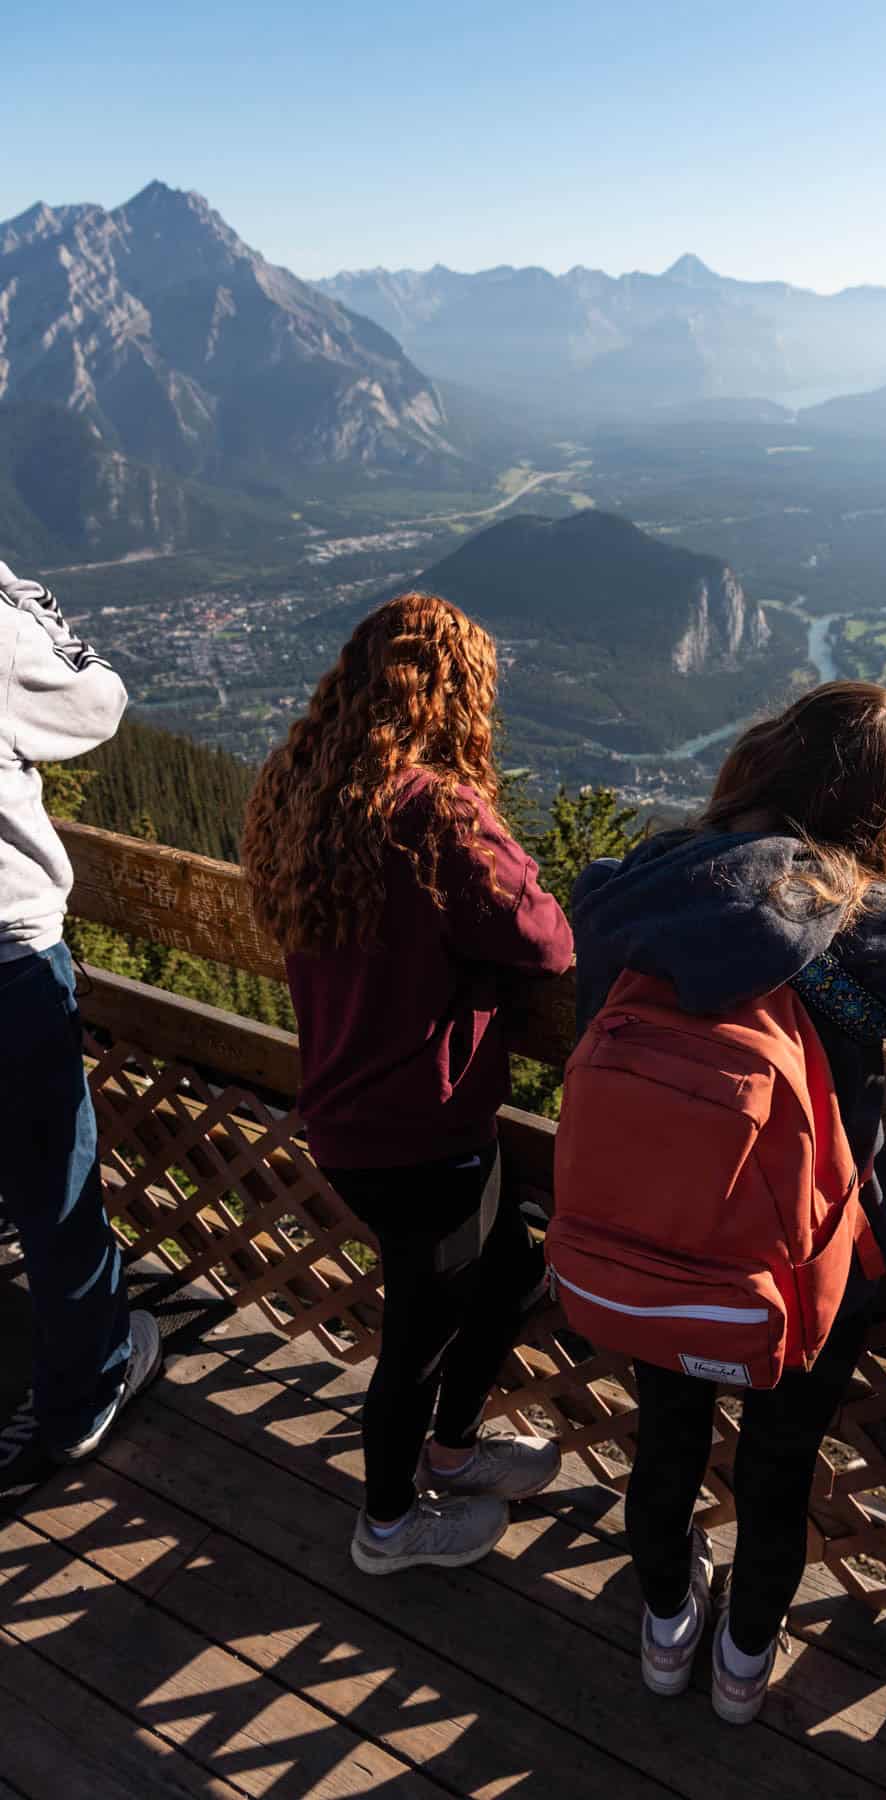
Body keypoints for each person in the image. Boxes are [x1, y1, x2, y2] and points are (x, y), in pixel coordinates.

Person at [566, 680, 886, 1723]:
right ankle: (742, 1665)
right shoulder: (863, 917)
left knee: (667, 1441)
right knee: (778, 1468)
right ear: (882, 806)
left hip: (652, 1236)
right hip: (809, 1267)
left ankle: (664, 1629)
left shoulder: (631, 886)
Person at [242, 591, 574, 1576]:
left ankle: (455, 1450)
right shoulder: (434, 809)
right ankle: (389, 1527)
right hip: (426, 1132)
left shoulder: (304, 799)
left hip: (347, 1124)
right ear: (449, 697)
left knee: (509, 1273)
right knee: (417, 1342)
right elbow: (548, 941)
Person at [0, 560, 161, 1462]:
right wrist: (22, 595)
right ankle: (83, 1392)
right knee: (55, 1194)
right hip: (8, 961)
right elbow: (97, 702)